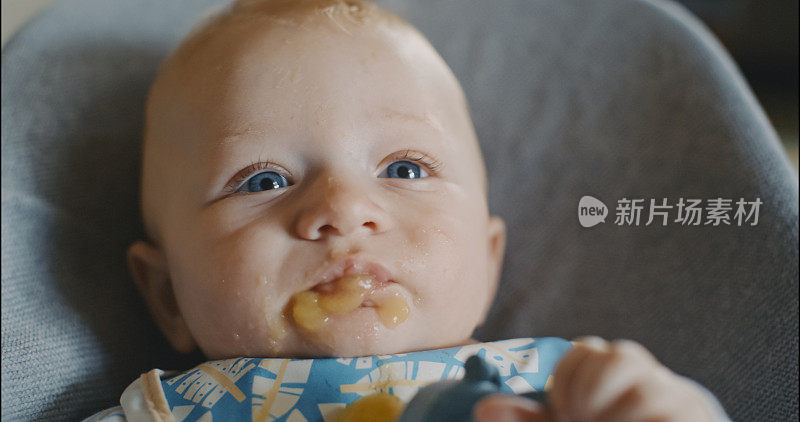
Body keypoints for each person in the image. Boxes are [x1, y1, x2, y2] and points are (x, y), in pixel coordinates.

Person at [86, 0, 729, 420]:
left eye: (403, 170)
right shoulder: (170, 410)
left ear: (488, 258)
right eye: (263, 180)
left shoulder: (565, 386)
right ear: (168, 295)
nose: (343, 211)